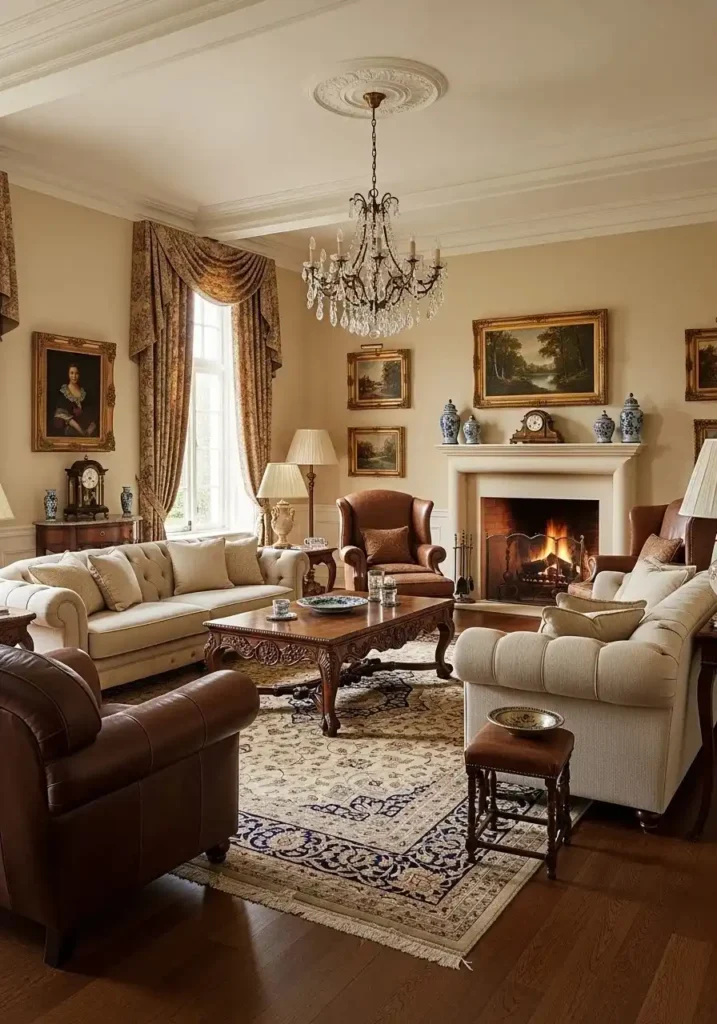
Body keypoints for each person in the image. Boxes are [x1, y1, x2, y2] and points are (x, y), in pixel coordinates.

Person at [52, 364, 97, 437]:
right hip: (71, 431)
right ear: (68, 374)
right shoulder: (63, 392)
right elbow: (60, 414)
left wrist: (90, 428)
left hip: (87, 430)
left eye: (76, 373)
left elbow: (91, 413)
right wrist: (81, 431)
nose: (74, 376)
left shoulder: (84, 393)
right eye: (72, 373)